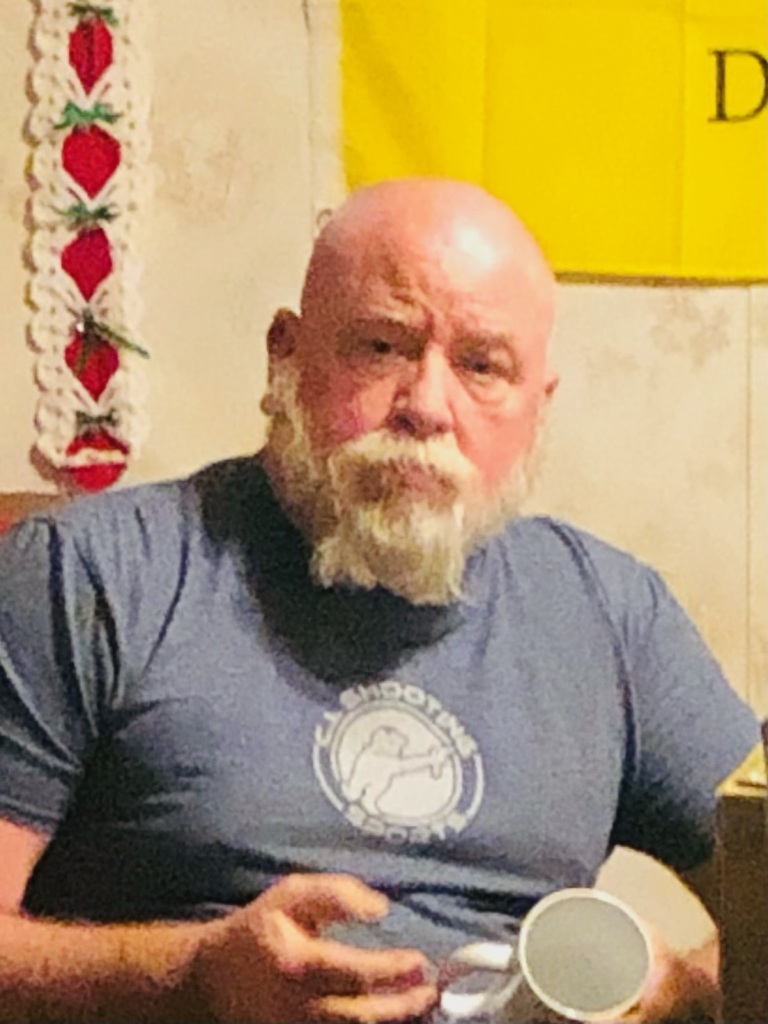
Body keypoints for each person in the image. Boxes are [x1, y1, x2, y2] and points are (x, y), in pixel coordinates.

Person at [0, 177, 759, 1023]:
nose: (427, 407)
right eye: (381, 347)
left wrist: (684, 990)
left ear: (538, 407)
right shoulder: (89, 573)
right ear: (285, 355)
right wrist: (193, 974)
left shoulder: (609, 613)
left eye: (482, 366)